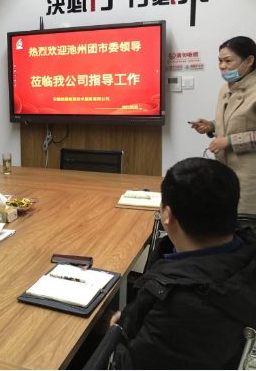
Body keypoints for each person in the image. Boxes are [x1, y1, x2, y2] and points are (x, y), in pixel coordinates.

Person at [109, 157, 256, 369]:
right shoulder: (247, 255)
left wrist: (114, 330)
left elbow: (131, 364)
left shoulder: (180, 303)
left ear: (167, 216)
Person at [191, 36, 256, 214]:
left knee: (246, 224)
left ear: (249, 61)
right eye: (220, 61)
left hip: (250, 177)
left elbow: (234, 135)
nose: (222, 66)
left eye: (228, 61)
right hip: (224, 173)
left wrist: (229, 141)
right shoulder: (226, 89)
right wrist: (211, 127)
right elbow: (236, 123)